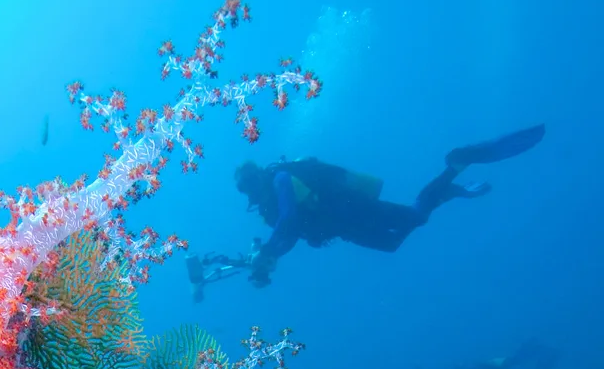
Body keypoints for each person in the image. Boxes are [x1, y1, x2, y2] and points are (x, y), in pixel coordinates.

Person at [209, 124, 545, 289]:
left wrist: (267, 249)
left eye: (250, 182)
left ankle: (455, 167)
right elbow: (292, 234)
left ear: (259, 175)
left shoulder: (280, 179)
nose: (250, 191)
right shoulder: (268, 208)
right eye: (244, 188)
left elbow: (290, 218)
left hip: (351, 209)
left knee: (415, 217)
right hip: (343, 228)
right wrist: (268, 260)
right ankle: (448, 190)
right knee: (392, 243)